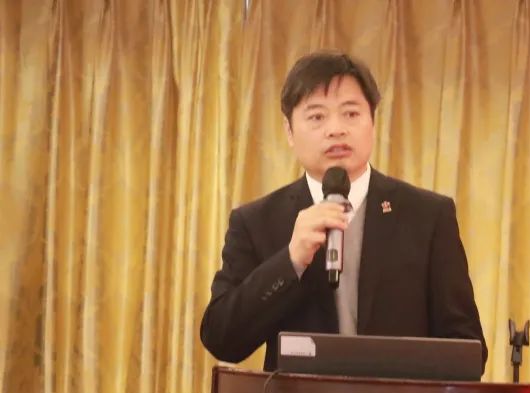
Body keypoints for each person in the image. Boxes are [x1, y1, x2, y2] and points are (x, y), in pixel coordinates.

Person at [200, 51, 488, 372]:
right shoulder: (256, 222)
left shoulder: (428, 216)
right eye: (317, 117)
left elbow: (468, 350)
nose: (336, 129)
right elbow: (221, 338)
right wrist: (290, 261)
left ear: (373, 122)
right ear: (289, 132)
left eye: (351, 113)